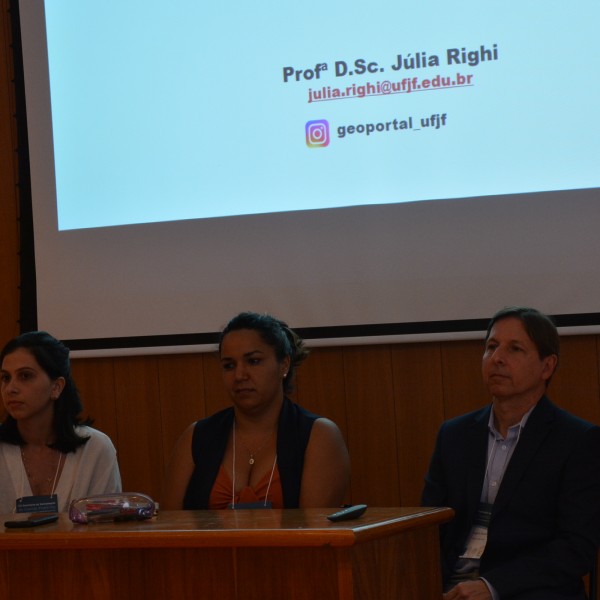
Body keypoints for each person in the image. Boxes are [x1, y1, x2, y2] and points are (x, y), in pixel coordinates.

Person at [422, 307, 600, 600]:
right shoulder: (453, 435)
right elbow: (429, 529)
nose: (497, 358)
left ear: (547, 366)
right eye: (491, 347)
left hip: (530, 591)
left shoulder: (577, 440)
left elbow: (575, 547)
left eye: (515, 349)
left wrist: (492, 587)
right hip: (452, 589)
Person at [163, 312, 350, 510]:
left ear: (284, 365)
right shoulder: (197, 436)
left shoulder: (318, 435)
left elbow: (315, 533)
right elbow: (170, 529)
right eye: (229, 365)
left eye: (253, 361)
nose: (239, 375)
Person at [0, 331, 122, 513]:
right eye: (5, 378)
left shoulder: (96, 448)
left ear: (56, 387)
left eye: (25, 376)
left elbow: (105, 529)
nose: (11, 388)